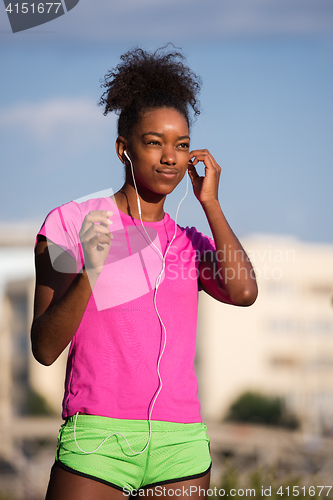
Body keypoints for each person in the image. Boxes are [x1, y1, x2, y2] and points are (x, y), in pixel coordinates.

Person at [31, 46, 258, 500]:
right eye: (154, 142)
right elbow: (44, 347)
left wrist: (209, 202)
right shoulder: (70, 224)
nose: (170, 157)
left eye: (182, 144)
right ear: (124, 148)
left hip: (181, 445)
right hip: (97, 441)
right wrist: (91, 272)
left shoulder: (189, 242)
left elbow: (244, 291)